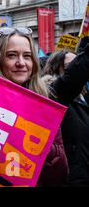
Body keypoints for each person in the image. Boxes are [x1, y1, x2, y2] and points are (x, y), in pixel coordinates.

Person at [0, 27, 69, 187]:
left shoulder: (44, 104)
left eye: (27, 56)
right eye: (11, 55)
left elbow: (59, 176)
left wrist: (44, 147)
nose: (21, 63)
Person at [43, 42, 89, 186]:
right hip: (72, 180)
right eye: (71, 66)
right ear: (56, 70)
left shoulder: (84, 98)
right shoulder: (52, 96)